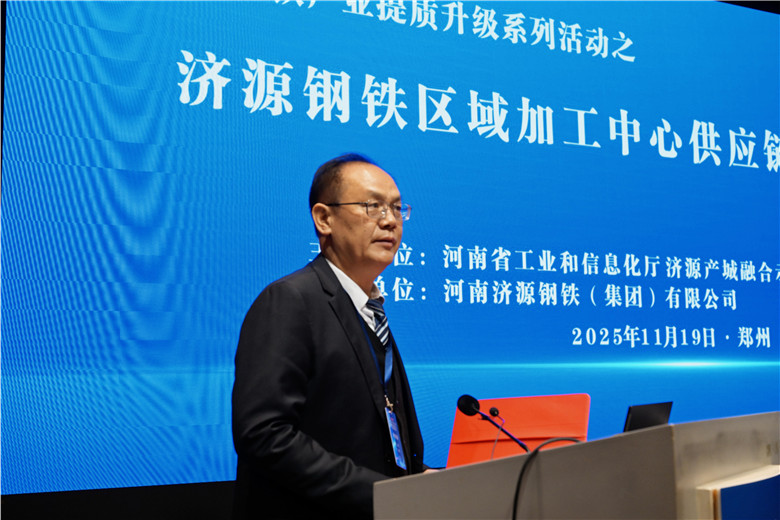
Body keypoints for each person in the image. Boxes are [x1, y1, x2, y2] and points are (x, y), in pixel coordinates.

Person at [232, 153, 426, 519]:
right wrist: (380, 495)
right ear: (324, 218)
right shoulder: (290, 301)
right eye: (372, 206)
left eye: (397, 208)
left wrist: (419, 481)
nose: (390, 220)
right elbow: (265, 435)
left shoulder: (370, 310)